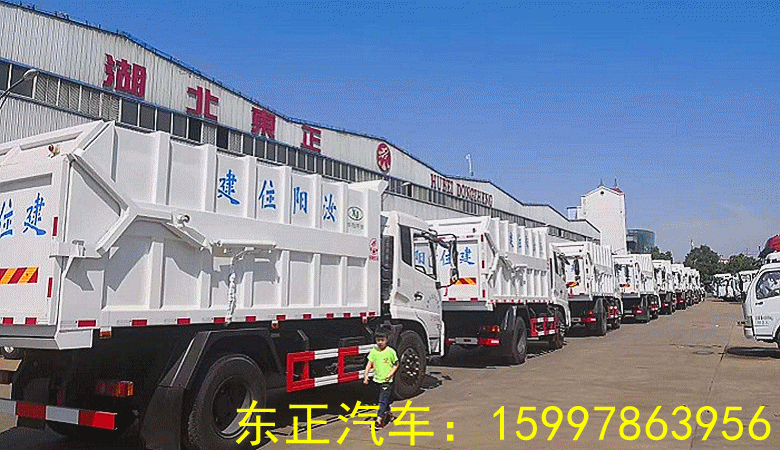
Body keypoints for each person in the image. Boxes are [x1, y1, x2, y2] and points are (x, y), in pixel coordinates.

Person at [363, 327, 399, 427]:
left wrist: (390, 374)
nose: (380, 342)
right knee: (383, 399)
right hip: (376, 380)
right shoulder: (374, 352)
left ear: (387, 340)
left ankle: (379, 420)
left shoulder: (390, 352)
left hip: (387, 381)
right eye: (378, 340)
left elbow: (396, 364)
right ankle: (389, 414)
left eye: (382, 340)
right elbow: (369, 364)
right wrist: (366, 376)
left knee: (382, 400)